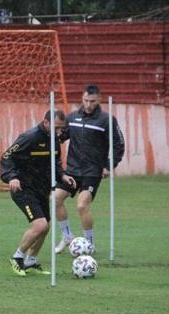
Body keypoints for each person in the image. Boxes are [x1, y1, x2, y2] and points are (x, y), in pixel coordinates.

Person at [1, 110, 75, 276]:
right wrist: (12, 177)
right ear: (46, 122)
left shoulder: (55, 140)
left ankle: (31, 261)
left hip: (42, 189)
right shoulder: (30, 137)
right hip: (23, 188)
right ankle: (17, 258)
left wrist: (63, 176)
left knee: (45, 227)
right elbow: (6, 157)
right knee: (40, 225)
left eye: (61, 129)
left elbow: (54, 162)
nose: (59, 132)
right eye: (56, 127)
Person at [53, 84, 125, 253]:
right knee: (55, 200)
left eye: (92, 101)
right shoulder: (72, 118)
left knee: (81, 206)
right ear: (82, 98)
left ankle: (89, 243)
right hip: (72, 170)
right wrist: (55, 136)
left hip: (92, 172)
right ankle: (67, 236)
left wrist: (109, 166)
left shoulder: (107, 120)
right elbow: (61, 137)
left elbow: (119, 145)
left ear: (99, 99)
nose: (88, 105)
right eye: (86, 100)